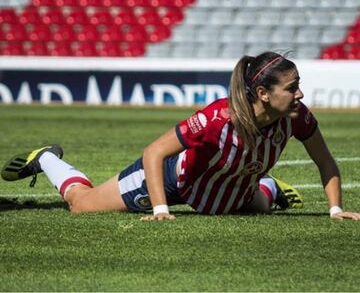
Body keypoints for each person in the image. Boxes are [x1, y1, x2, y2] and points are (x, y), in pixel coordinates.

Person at [2, 52, 360, 221]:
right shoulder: (217, 118)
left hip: (228, 187)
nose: (300, 94)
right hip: (176, 179)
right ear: (263, 94)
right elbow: (154, 152)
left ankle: (267, 186)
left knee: (239, 204)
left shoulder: (297, 117)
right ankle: (47, 158)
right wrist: (160, 209)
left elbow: (325, 160)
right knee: (81, 205)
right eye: (292, 87)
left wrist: (335, 209)